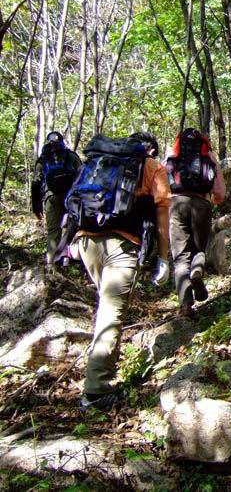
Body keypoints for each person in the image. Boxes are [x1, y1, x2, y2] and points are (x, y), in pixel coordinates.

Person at [59, 133, 171, 411]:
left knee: (107, 306)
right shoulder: (151, 167)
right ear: (149, 149)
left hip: (86, 242)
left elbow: (71, 202)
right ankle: (95, 391)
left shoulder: (98, 161)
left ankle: (102, 370)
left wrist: (65, 244)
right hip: (122, 244)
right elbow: (162, 213)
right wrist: (163, 258)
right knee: (110, 313)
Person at [164, 128, 225, 318]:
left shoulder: (172, 156)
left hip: (176, 204)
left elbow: (163, 186)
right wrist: (212, 200)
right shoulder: (209, 157)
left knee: (181, 257)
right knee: (199, 249)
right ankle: (197, 269)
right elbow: (220, 193)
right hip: (201, 203)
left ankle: (186, 306)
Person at [31, 131, 82, 264]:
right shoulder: (70, 155)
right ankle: (71, 260)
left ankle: (52, 265)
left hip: (51, 197)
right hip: (70, 196)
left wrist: (36, 207)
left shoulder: (43, 159)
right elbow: (82, 174)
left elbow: (36, 182)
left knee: (54, 231)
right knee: (73, 227)